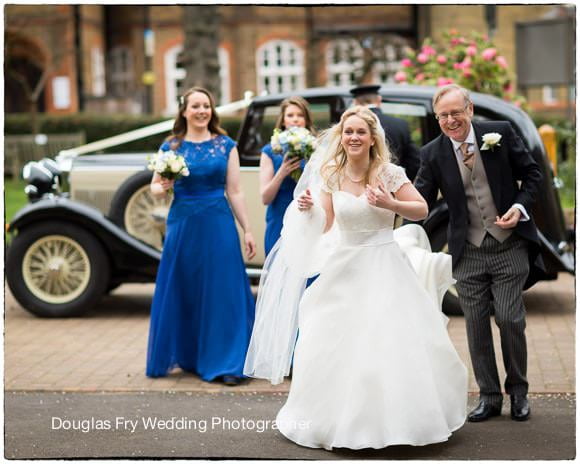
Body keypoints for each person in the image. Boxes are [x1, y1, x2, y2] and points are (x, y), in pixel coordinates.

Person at [245, 106, 467, 450]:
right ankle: (337, 420)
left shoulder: (389, 173)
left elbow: (422, 208)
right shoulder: (331, 175)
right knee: (330, 336)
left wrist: (390, 203)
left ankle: (396, 422)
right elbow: (328, 224)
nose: (353, 137)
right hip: (345, 264)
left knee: (387, 341)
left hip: (385, 264)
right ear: (341, 136)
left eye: (360, 132)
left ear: (372, 137)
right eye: (348, 132)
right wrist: (308, 211)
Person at [414, 84, 543, 422]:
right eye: (443, 115)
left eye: (456, 112)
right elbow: (419, 201)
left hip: (508, 243)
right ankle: (489, 396)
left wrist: (519, 206)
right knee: (475, 325)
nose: (450, 120)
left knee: (510, 319)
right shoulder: (432, 153)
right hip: (467, 250)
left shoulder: (498, 133)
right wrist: (386, 201)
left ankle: (518, 392)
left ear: (469, 109)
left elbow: (532, 175)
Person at [146, 86, 256, 386]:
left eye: (206, 106)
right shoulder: (171, 147)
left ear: (212, 110)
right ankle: (192, 356)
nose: (201, 111)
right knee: (187, 289)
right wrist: (164, 185)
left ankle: (228, 361)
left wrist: (247, 229)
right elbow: (155, 186)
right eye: (195, 106)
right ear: (184, 111)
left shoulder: (226, 145)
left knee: (223, 291)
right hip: (183, 225)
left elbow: (234, 190)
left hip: (218, 223)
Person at [260, 96, 315, 255]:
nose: (295, 120)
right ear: (283, 120)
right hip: (279, 218)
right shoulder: (270, 151)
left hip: (307, 217)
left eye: (300, 115)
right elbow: (265, 198)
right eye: (290, 115)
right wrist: (282, 172)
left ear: (306, 120)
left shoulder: (315, 149)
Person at [350, 84, 420, 180]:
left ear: (355, 102)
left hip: (356, 183)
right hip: (393, 187)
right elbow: (414, 162)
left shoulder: (349, 126)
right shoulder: (400, 124)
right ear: (379, 100)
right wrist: (399, 184)